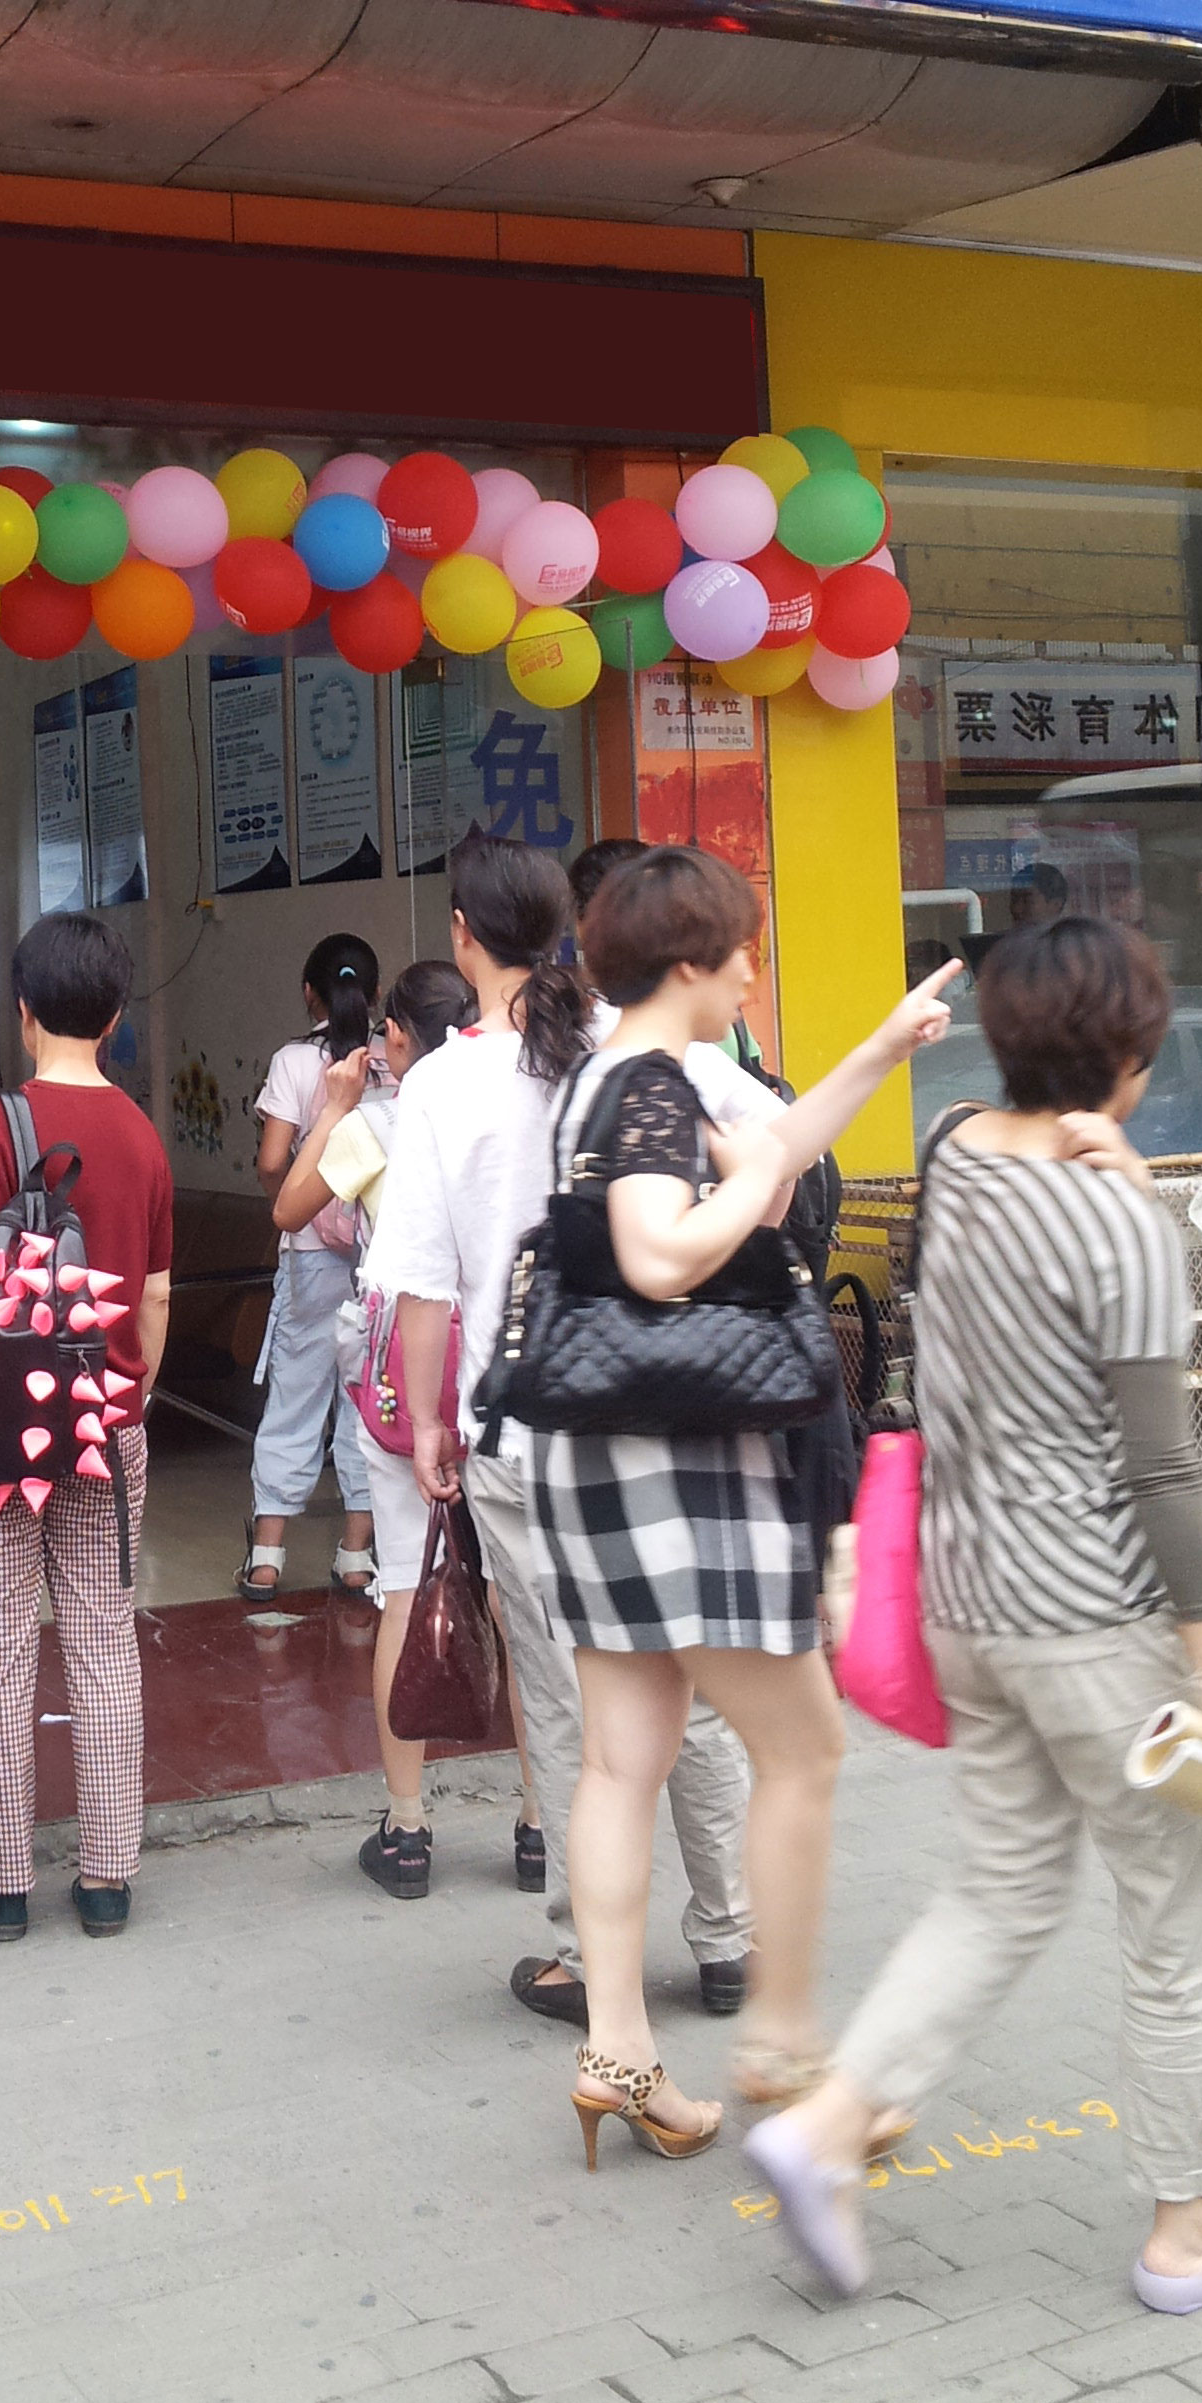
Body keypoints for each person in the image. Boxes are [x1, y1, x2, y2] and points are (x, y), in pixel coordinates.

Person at [749, 918, 1202, 2313]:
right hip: (1097, 1627)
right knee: (1181, 1919)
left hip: (967, 1602)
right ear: (1129, 1058)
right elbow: (1164, 1472)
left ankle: (828, 2130)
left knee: (1000, 1889)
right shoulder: (1121, 1224)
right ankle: (1192, 2232)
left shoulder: (954, 1155)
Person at [505, 833, 767, 2026]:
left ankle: (593, 1981)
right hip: (678, 1413)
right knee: (713, 1711)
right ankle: (731, 1944)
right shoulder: (676, 1071)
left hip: (556, 1424)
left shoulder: (514, 1073)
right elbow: (755, 1186)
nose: (749, 972)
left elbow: (441, 1273)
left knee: (588, 1729)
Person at [0, 914, 173, 1946]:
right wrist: (130, 1401)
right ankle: (106, 1880)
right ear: (114, 1016)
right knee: (104, 1637)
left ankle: (5, 1884)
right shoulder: (141, 1135)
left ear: (21, 1013)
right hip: (106, 1421)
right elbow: (156, 1295)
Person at [359, 837, 600, 1910]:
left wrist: (426, 1425)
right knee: (630, 1671)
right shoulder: (614, 1038)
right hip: (626, 1406)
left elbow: (422, 1284)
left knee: (540, 1658)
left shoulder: (442, 1081)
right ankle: (578, 1850)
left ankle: (576, 1914)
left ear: (463, 934)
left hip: (511, 1420)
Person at [270, 957, 515, 1899]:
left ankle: (408, 1830)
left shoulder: (377, 1125)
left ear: (400, 1041)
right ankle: (539, 1825)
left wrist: (335, 1105)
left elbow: (290, 1208)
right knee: (515, 1601)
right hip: (500, 1378)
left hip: (404, 1390)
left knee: (407, 1589)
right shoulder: (511, 1109)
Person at [240, 934, 385, 1599]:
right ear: (376, 994)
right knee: (365, 1400)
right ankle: (356, 1555)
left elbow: (273, 1161)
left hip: (309, 1260)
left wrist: (295, 1207)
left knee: (294, 1399)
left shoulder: (296, 1062)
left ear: (308, 992)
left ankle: (267, 1557)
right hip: (379, 1261)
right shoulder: (393, 1058)